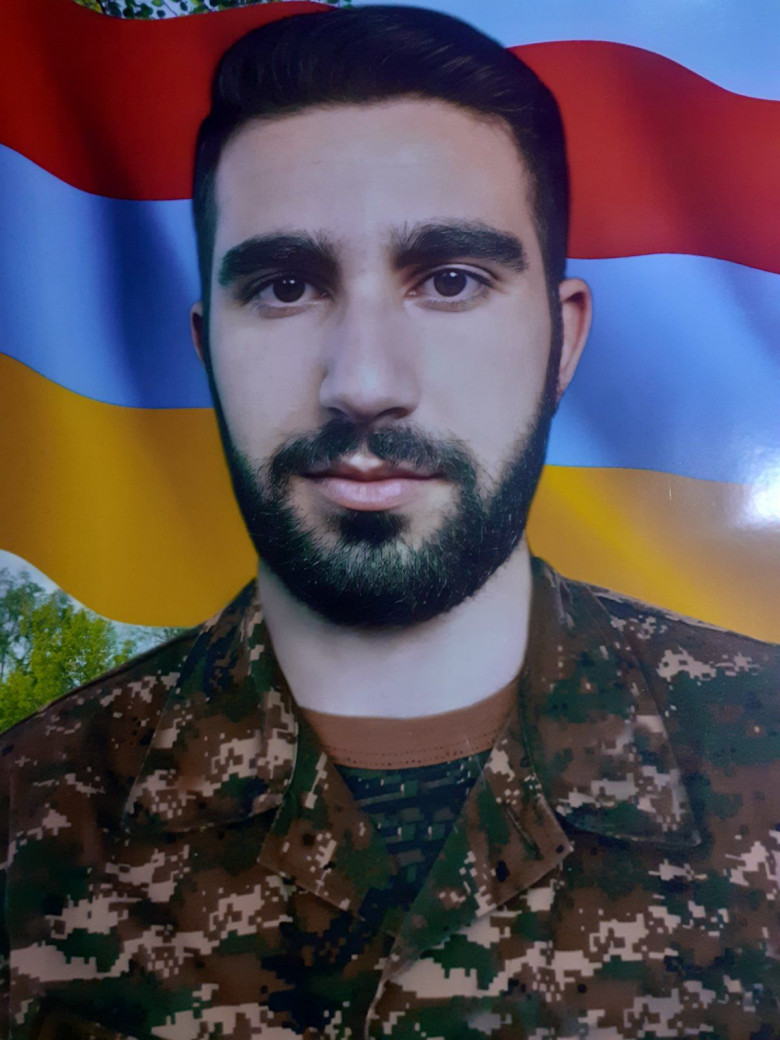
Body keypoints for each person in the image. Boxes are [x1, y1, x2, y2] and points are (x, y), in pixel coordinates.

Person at [1, 6, 778, 1038]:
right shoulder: (25, 818)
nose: (363, 382)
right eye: (285, 287)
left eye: (450, 280)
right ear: (206, 345)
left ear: (562, 340)